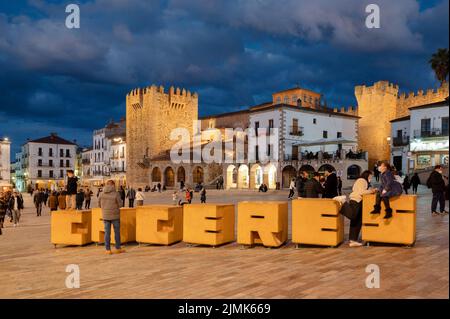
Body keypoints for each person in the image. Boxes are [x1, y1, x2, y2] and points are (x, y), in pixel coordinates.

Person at [341, 171, 377, 247]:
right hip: (356, 200)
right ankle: (343, 202)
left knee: (357, 221)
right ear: (367, 175)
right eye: (371, 176)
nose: (371, 177)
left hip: (360, 201)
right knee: (353, 215)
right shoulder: (362, 180)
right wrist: (371, 191)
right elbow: (361, 192)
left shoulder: (364, 181)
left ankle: (353, 240)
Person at [98, 180, 124, 255]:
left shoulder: (101, 193)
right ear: (113, 185)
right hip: (115, 215)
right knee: (117, 232)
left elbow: (99, 204)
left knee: (107, 232)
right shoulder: (116, 193)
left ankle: (108, 250)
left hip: (105, 215)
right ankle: (118, 248)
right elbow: (120, 205)